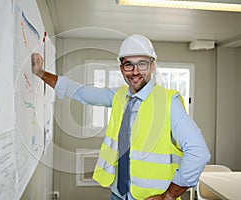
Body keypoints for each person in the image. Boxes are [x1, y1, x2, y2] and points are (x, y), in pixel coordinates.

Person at [31, 34, 210, 200]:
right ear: (121, 68)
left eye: (142, 64)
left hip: (151, 197)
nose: (134, 71)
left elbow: (198, 152)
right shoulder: (119, 96)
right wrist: (40, 73)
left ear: (153, 66)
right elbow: (82, 93)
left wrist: (169, 196)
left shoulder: (170, 102)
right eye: (128, 64)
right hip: (118, 194)